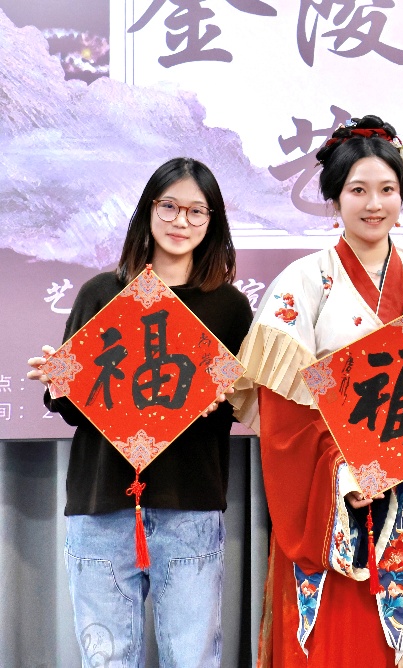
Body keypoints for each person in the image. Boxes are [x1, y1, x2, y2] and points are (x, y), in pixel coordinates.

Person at [230, 115, 403, 667]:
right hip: (329, 495)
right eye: (358, 190)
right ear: (335, 197)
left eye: (387, 190)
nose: (374, 204)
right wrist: (342, 470)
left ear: (402, 196)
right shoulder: (303, 282)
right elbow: (282, 404)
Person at [26, 157, 253, 666]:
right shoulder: (101, 293)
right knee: (107, 659)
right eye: (169, 206)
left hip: (189, 505)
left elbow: (242, 405)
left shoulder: (230, 307)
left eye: (197, 211)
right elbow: (72, 411)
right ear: (148, 211)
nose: (180, 221)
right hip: (103, 503)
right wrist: (59, 381)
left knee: (193, 658)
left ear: (213, 221)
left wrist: (221, 401)